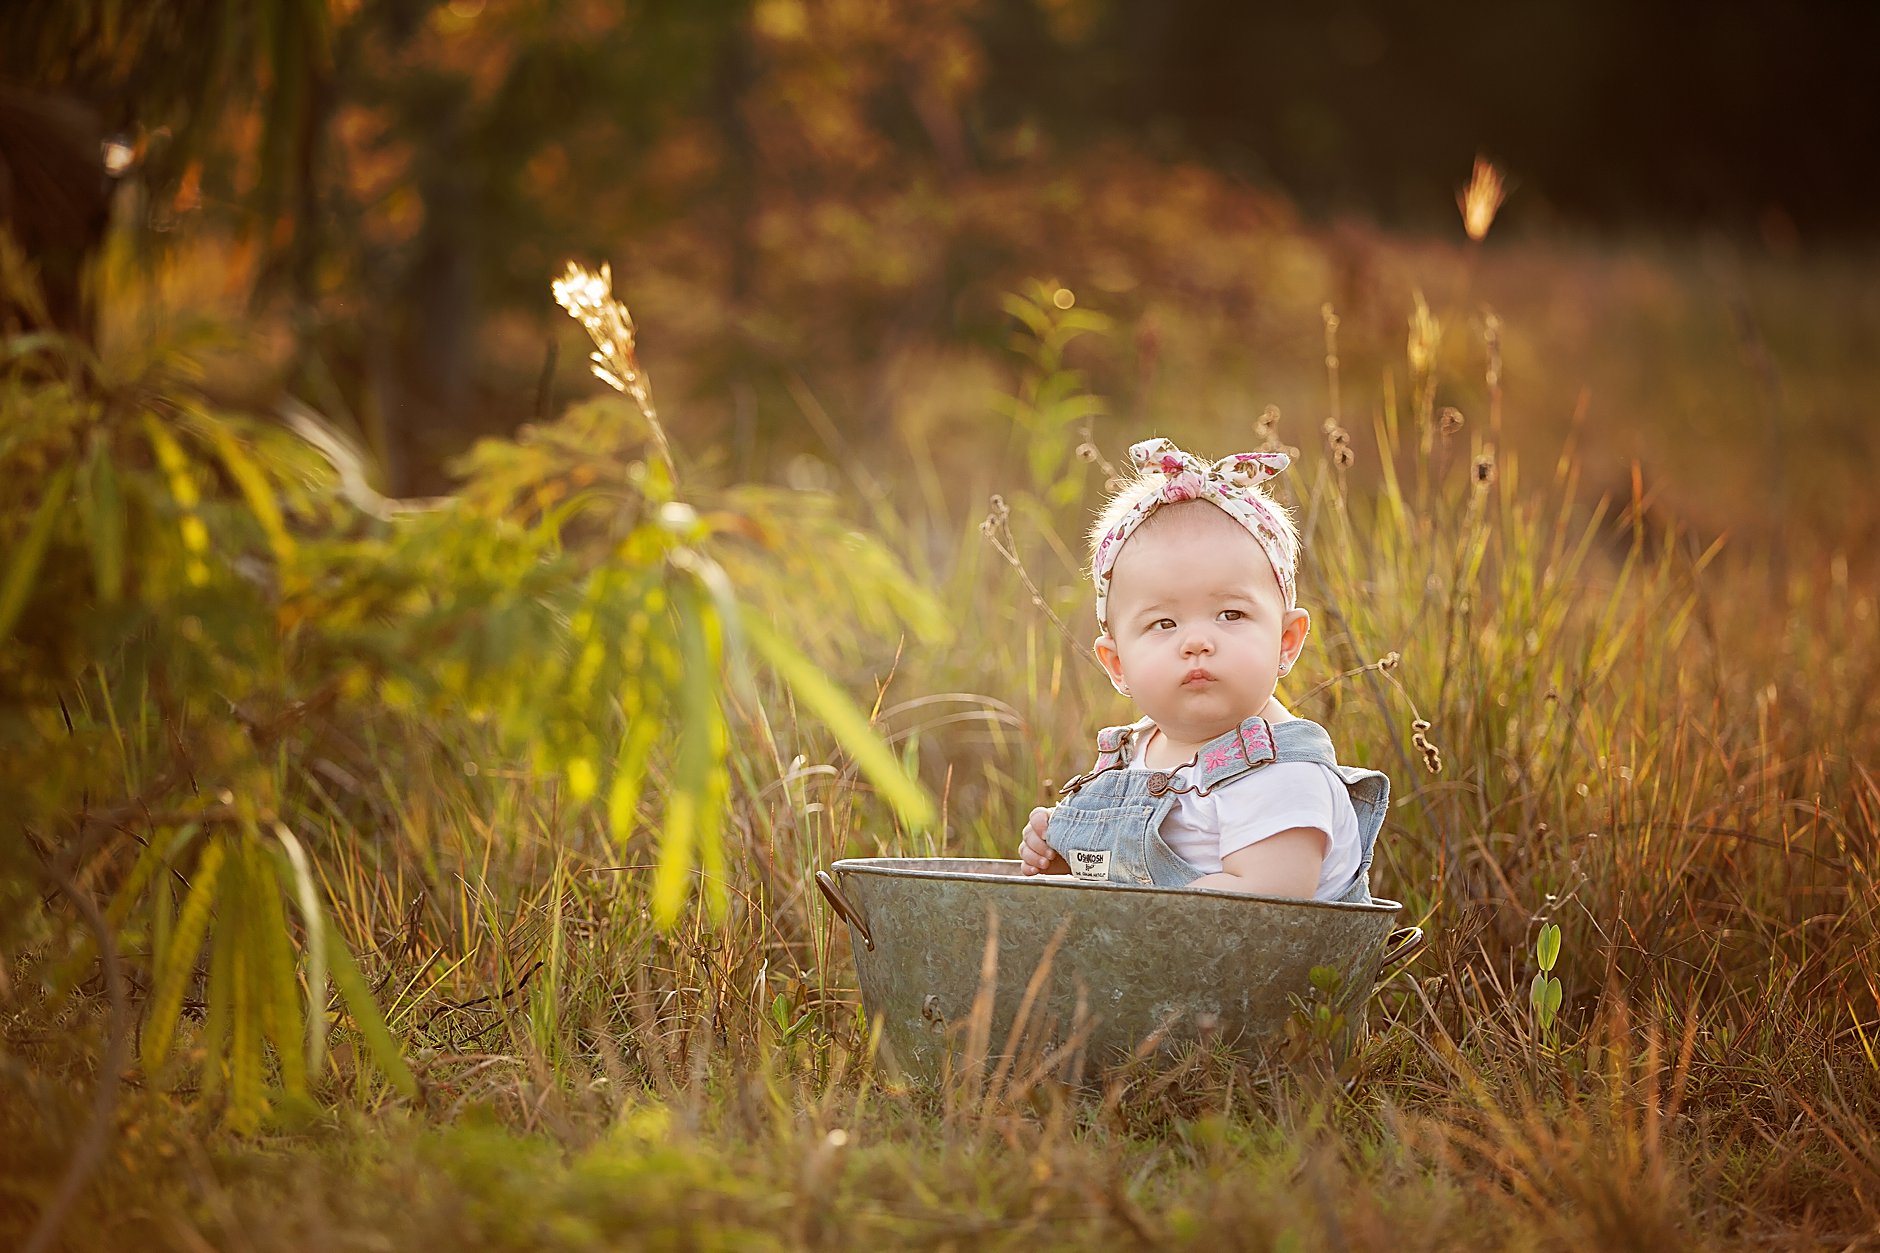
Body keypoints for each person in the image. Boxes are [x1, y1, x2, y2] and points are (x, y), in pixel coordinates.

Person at [1016, 437, 1389, 903]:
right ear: (1117, 664)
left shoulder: (1279, 775)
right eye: (1163, 623)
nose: (1197, 642)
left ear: (1286, 641)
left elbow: (1262, 906)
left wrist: (1116, 899)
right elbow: (1114, 894)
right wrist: (1071, 866)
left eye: (1230, 615)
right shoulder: (1130, 755)